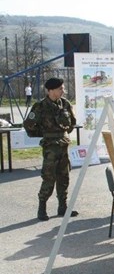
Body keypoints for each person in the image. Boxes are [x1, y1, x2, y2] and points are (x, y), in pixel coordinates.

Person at [23, 77, 79, 221]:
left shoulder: (65, 104)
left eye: (63, 88)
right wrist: (46, 135)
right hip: (50, 148)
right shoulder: (40, 107)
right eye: (60, 88)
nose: (63, 91)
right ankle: (42, 208)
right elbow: (29, 125)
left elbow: (72, 123)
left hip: (64, 146)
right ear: (51, 90)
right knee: (49, 177)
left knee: (64, 177)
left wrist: (62, 134)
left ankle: (63, 207)